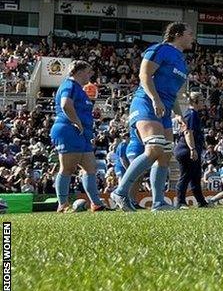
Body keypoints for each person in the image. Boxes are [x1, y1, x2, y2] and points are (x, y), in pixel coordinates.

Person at [110, 22, 194, 211]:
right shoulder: (160, 49)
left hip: (164, 108)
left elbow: (172, 94)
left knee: (164, 155)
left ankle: (158, 202)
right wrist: (155, 99)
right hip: (147, 102)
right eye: (190, 33)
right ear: (178, 34)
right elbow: (144, 74)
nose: (193, 37)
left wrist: (179, 116)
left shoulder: (181, 60)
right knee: (154, 148)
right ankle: (120, 192)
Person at [49, 60, 106, 212]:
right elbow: (65, 104)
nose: (91, 74)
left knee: (90, 167)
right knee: (67, 168)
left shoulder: (80, 89)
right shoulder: (69, 85)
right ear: (79, 72)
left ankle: (96, 203)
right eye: (88, 71)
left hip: (81, 133)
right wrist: (78, 123)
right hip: (69, 130)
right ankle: (63, 204)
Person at [173, 92, 209, 208]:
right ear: (195, 101)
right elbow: (188, 133)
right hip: (187, 149)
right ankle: (180, 202)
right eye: (202, 100)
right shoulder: (191, 114)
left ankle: (201, 202)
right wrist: (192, 149)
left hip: (191, 149)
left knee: (196, 176)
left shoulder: (193, 114)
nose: (204, 102)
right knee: (186, 176)